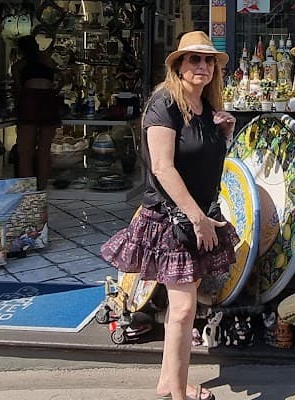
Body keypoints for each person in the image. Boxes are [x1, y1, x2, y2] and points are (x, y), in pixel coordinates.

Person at [101, 30, 238, 400]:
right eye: (194, 59)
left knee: (185, 306)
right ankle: (177, 392)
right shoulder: (163, 105)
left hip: (198, 218)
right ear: (178, 65)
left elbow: (202, 165)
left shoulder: (207, 109)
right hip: (171, 221)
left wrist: (223, 135)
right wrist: (196, 217)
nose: (203, 66)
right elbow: (162, 168)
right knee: (182, 309)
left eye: (209, 60)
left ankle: (169, 382)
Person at [12, 35, 64, 191]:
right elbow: (61, 79)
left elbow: (19, 88)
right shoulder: (47, 60)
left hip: (29, 101)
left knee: (25, 153)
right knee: (44, 151)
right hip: (48, 100)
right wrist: (53, 92)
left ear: (21, 50)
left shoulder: (19, 66)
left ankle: (28, 193)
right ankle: (41, 189)